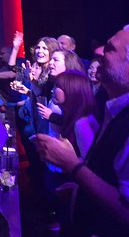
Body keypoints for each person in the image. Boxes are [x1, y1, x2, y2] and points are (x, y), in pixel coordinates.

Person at [35, 29, 129, 236]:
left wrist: (71, 165)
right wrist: (81, 190)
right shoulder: (112, 109)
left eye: (110, 48)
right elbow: (108, 178)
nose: (98, 50)